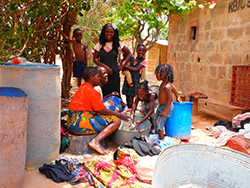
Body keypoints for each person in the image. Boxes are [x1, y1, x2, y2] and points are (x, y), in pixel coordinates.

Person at [67, 67, 129, 155]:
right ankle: (96, 141)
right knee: (116, 121)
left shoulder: (83, 87)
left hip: (71, 123)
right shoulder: (92, 91)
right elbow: (102, 110)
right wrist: (120, 115)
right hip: (79, 125)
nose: (100, 78)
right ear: (91, 77)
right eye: (98, 76)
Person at [93, 23, 132, 97]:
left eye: (111, 32)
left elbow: (129, 54)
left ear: (115, 33)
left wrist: (122, 64)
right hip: (102, 75)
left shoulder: (117, 44)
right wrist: (105, 68)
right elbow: (95, 59)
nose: (109, 34)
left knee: (115, 93)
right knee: (103, 93)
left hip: (114, 74)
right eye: (107, 31)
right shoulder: (100, 45)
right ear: (104, 32)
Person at [153, 64, 180, 140]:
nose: (157, 75)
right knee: (155, 119)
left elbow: (170, 99)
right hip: (161, 106)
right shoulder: (165, 83)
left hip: (166, 107)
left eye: (159, 73)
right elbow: (174, 88)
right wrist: (177, 96)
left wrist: (165, 111)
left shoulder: (166, 87)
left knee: (160, 125)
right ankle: (157, 135)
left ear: (164, 73)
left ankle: (161, 140)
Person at [122, 44, 147, 108]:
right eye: (139, 50)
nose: (141, 52)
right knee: (127, 97)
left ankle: (131, 111)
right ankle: (129, 110)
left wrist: (125, 66)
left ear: (145, 52)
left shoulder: (144, 61)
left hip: (135, 81)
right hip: (128, 80)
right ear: (136, 50)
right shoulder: (132, 58)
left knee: (131, 98)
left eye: (143, 51)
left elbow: (136, 69)